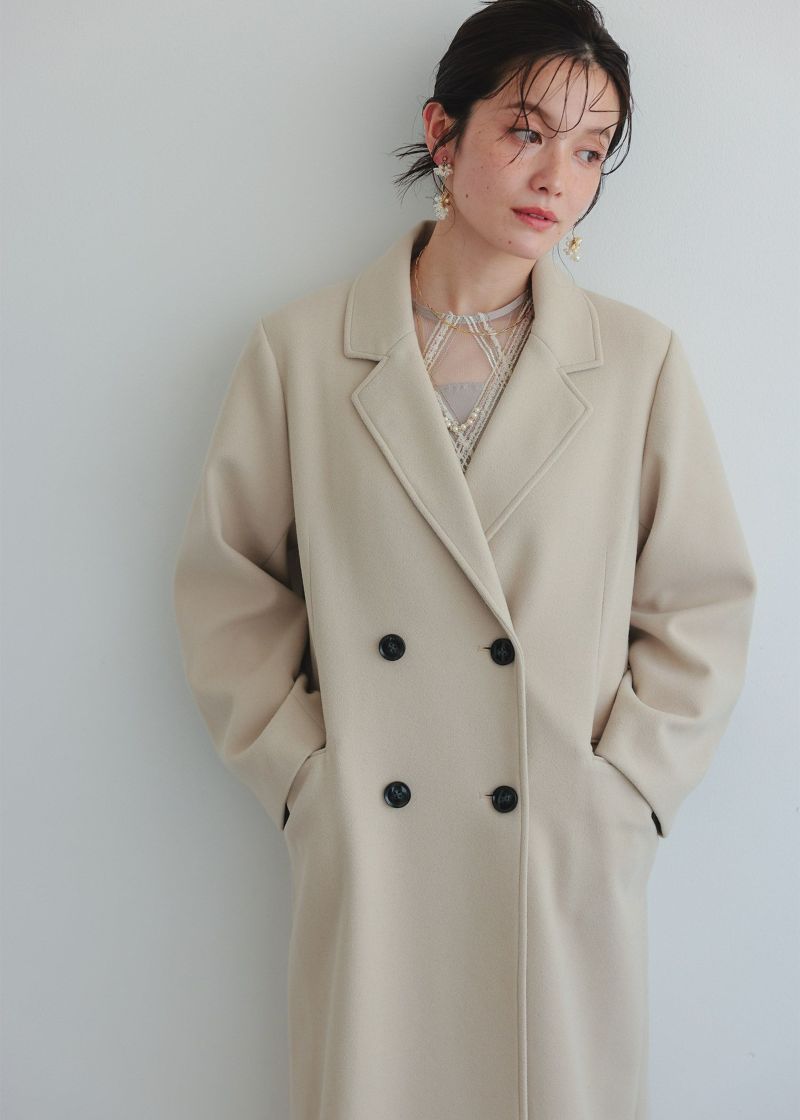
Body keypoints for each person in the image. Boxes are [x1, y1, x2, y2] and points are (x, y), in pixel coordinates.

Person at [172, 2, 758, 1117]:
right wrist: (306, 776)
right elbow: (228, 586)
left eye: (590, 150)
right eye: (525, 132)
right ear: (442, 131)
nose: (556, 177)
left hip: (555, 849)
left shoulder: (635, 363)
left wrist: (625, 790)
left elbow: (699, 605)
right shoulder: (301, 352)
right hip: (379, 848)